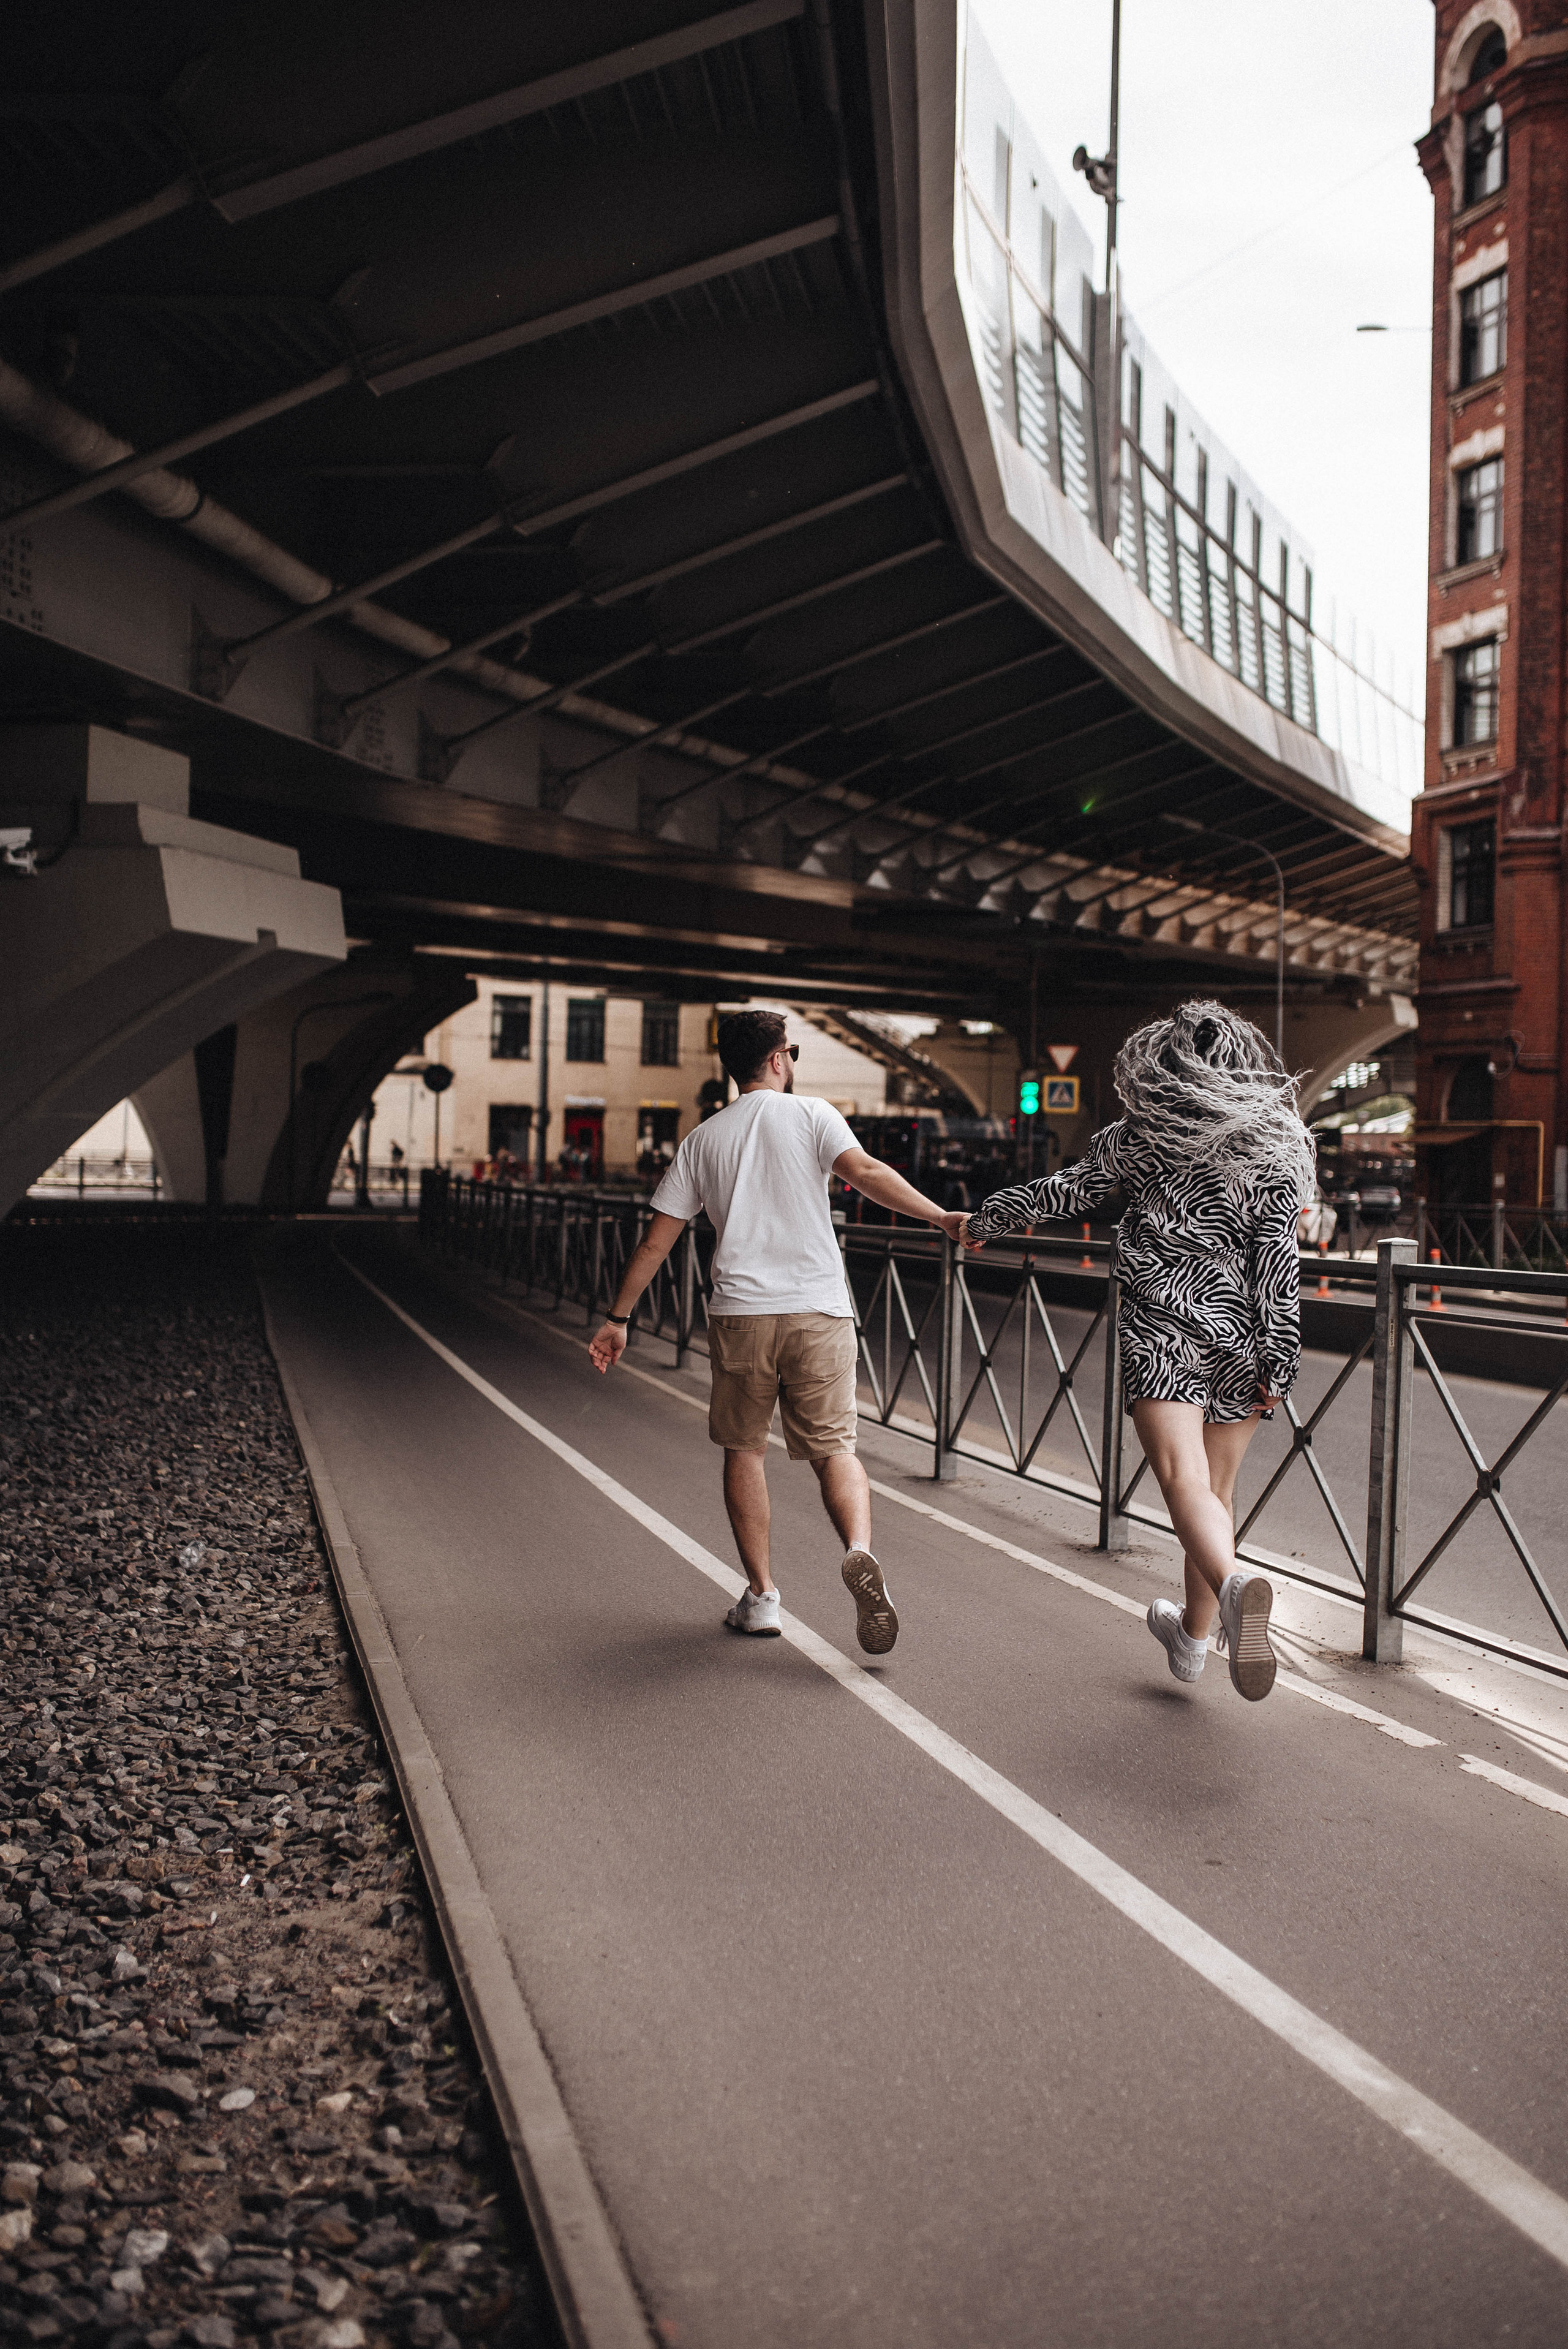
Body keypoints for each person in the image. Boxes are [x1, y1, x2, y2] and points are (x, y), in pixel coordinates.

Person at [961, 1000, 1313, 1702]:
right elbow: (1278, 1258)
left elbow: (1066, 1191)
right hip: (1243, 1334)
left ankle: (1235, 1587)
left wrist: (984, 1220)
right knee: (1214, 1492)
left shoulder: (1142, 1133)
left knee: (1182, 1481)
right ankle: (1189, 1643)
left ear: (1167, 1063)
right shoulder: (1276, 1142)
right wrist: (1280, 1359)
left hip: (1161, 1328)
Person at [588, 1010, 969, 1653]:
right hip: (818, 1310)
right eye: (791, 1049)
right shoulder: (813, 1116)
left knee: (745, 1450)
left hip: (741, 1314)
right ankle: (858, 1550)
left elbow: (657, 1241)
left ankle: (762, 1597)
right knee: (834, 1448)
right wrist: (941, 1218)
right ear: (777, 1059)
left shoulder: (703, 1140)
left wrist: (618, 1319)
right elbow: (869, 1174)